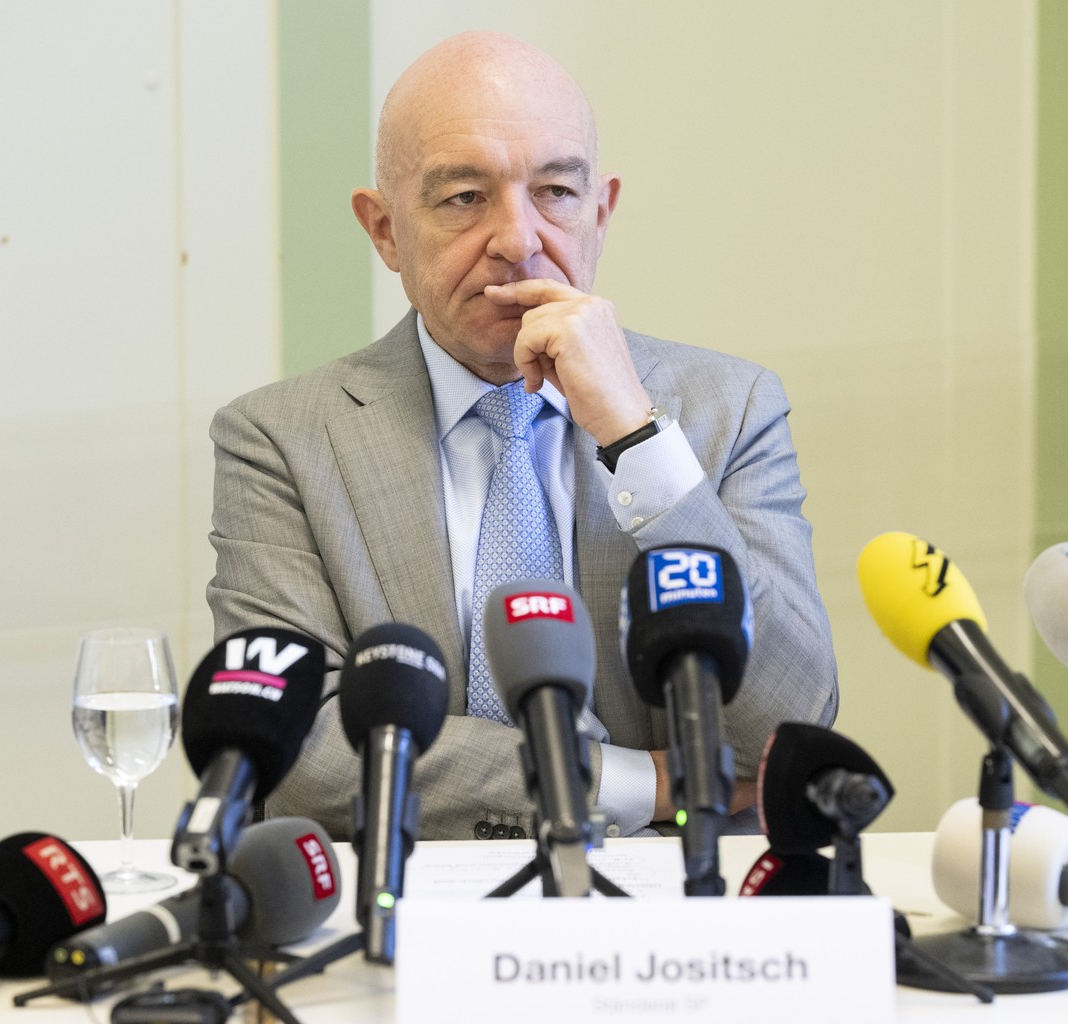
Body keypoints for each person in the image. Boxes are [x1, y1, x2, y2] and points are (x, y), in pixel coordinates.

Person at [207, 30, 837, 841]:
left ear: (600, 212)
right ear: (385, 230)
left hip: (674, 911)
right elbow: (305, 755)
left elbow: (787, 716)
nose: (519, 239)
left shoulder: (730, 408)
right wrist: (633, 783)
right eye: (464, 197)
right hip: (407, 902)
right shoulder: (283, 440)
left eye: (556, 193)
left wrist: (634, 435)